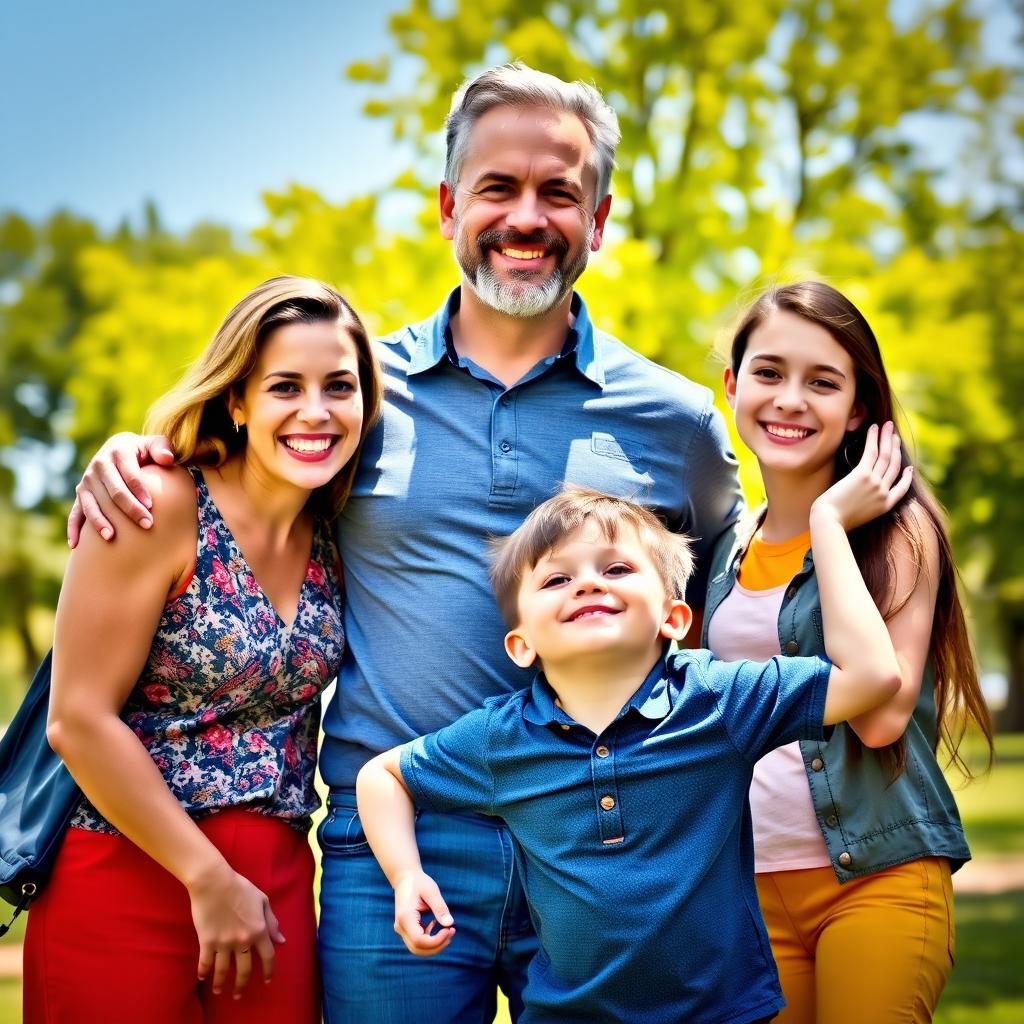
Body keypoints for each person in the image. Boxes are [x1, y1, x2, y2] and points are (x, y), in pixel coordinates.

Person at [66, 64, 744, 1022]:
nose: (526, 216)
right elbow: (226, 480)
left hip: (606, 845)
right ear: (447, 205)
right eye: (497, 188)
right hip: (394, 839)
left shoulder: (676, 420)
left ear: (598, 219)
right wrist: (133, 451)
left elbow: (738, 601)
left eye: (559, 192)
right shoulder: (349, 396)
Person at [356, 465, 907, 1024]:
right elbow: (382, 777)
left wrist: (829, 527)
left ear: (673, 617)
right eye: (555, 580)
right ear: (521, 645)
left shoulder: (720, 701)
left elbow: (873, 678)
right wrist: (407, 877)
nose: (588, 584)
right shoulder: (502, 738)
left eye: (617, 568)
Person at [26, 277, 382, 1024]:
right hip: (129, 867)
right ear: (239, 401)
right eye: (286, 386)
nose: (316, 411)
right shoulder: (153, 505)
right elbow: (78, 719)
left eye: (339, 387)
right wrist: (206, 877)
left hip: (276, 883)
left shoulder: (340, 527)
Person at [704, 281, 994, 1024]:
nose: (790, 400)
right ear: (733, 386)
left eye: (823, 382)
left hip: (877, 878)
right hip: (748, 886)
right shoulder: (721, 552)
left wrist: (830, 524)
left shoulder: (899, 535)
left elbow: (881, 718)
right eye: (768, 373)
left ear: (858, 408)